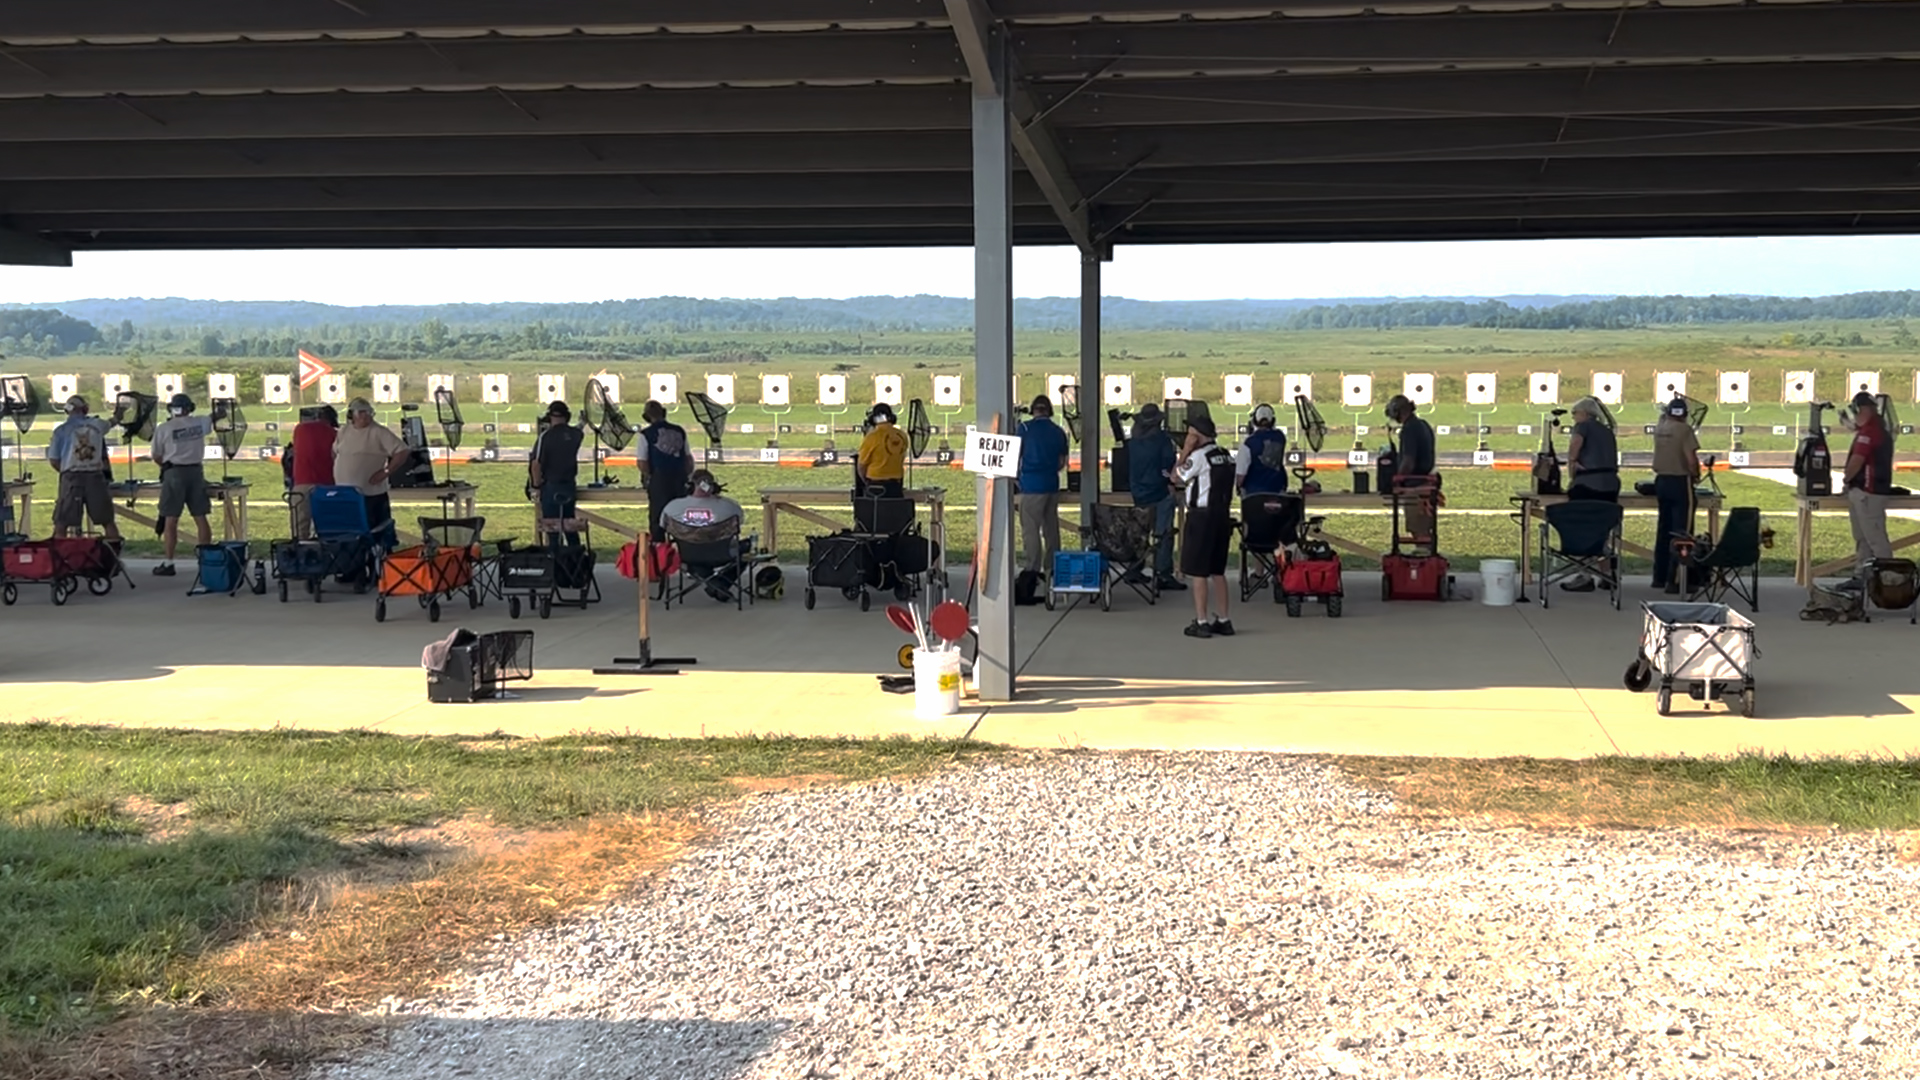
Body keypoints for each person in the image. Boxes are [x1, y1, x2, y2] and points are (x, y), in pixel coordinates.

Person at [1175, 413, 1235, 638]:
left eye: (1191, 434)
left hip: (1201, 517)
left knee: (1198, 572)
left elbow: (1176, 476)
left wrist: (1185, 451)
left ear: (1198, 436)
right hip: (1221, 516)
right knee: (1217, 571)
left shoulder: (1199, 456)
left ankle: (1201, 621)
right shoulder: (1225, 455)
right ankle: (1223, 618)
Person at [1556, 397, 1620, 592]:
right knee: (1602, 531)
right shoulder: (1607, 431)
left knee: (1582, 530)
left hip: (1587, 484)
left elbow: (1574, 449)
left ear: (1584, 413)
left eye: (1575, 413)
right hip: (1610, 485)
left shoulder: (1582, 427)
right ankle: (1606, 575)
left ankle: (1584, 575)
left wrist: (1572, 472)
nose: (1574, 417)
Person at [148, 392, 214, 576]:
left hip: (174, 472)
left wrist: (167, 467)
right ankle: (206, 562)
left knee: (170, 519)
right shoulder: (199, 423)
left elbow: (156, 456)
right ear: (189, 408)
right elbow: (212, 418)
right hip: (196, 472)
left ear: (172, 409)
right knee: (200, 517)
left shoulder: (164, 428)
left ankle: (169, 562)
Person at [661, 469, 747, 601]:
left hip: (688, 556)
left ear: (689, 486)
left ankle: (713, 583)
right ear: (714, 487)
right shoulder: (729, 506)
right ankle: (720, 584)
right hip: (722, 555)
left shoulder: (672, 507)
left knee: (695, 550)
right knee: (747, 546)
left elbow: (663, 525)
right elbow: (740, 521)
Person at [1125, 403, 1184, 592]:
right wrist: (1171, 484)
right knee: (1163, 535)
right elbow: (1167, 466)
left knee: (1140, 533)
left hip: (1139, 493)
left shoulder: (1133, 442)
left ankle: (1134, 569)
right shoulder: (1162, 440)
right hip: (1160, 493)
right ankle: (1163, 574)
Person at [46, 395, 120, 544]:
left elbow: (54, 460)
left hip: (71, 477)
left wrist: (67, 470)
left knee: (62, 523)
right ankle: (113, 557)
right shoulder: (98, 425)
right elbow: (113, 421)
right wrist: (119, 413)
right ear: (85, 409)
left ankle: (60, 560)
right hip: (95, 477)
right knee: (107, 521)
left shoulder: (61, 431)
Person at [333, 397, 412, 536]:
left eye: (368, 412)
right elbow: (334, 451)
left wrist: (386, 471)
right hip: (345, 494)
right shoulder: (344, 431)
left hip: (371, 495)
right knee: (349, 534)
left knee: (375, 533)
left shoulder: (379, 432)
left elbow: (402, 451)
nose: (365, 416)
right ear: (352, 415)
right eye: (361, 412)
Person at [1842, 390, 1894, 585]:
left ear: (1862, 410)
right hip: (1865, 493)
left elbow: (1857, 460)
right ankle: (1862, 577)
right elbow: (1857, 427)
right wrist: (1847, 422)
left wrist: (1846, 479)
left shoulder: (1870, 432)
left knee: (1875, 539)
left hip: (1868, 493)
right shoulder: (1875, 427)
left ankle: (1890, 583)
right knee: (1863, 538)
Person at [1651, 397, 1702, 594]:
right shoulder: (1685, 430)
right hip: (1680, 482)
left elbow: (1663, 419)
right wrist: (1696, 474)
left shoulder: (1660, 427)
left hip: (1661, 481)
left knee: (1664, 530)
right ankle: (1677, 580)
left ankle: (1660, 577)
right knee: (1683, 532)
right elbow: (1691, 459)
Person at [1016, 395, 1070, 576]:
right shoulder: (1059, 431)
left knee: (1031, 531)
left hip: (1031, 486)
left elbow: (1015, 457)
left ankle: (1032, 569)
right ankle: (1052, 569)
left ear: (1033, 410)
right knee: (1051, 529)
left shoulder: (1024, 428)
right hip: (1051, 485)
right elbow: (1061, 462)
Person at [529, 400, 585, 555]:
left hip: (551, 486)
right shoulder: (575, 435)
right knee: (570, 527)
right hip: (569, 486)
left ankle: (555, 565)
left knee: (552, 529)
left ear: (550, 417)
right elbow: (578, 430)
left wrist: (536, 486)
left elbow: (536, 464)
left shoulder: (545, 437)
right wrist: (582, 422)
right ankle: (576, 565)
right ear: (567, 417)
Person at [1385, 394, 1438, 549]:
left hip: (1416, 486)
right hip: (1425, 483)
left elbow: (1408, 461)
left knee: (1419, 530)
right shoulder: (1423, 424)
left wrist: (1397, 480)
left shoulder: (1409, 429)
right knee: (1424, 528)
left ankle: (1424, 564)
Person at [640, 400, 691, 542]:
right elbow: (688, 460)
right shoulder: (679, 431)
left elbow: (642, 463)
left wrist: (648, 477)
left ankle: (660, 556)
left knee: (657, 522)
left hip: (659, 480)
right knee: (680, 519)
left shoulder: (646, 434)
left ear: (646, 416)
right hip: (679, 479)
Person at [287, 404, 338, 539]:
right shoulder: (335, 434)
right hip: (327, 484)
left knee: (299, 528)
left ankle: (299, 555)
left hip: (302, 482)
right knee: (327, 527)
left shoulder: (300, 429)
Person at [855, 402, 907, 500]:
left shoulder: (871, 437)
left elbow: (861, 466)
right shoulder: (902, 436)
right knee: (895, 513)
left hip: (875, 485)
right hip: (896, 485)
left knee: (875, 513)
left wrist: (866, 481)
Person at [1235, 403, 1289, 496]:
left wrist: (1238, 486)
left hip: (1253, 492)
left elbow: (1241, 473)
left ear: (1254, 421)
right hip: (1277, 488)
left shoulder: (1249, 443)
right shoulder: (1280, 437)